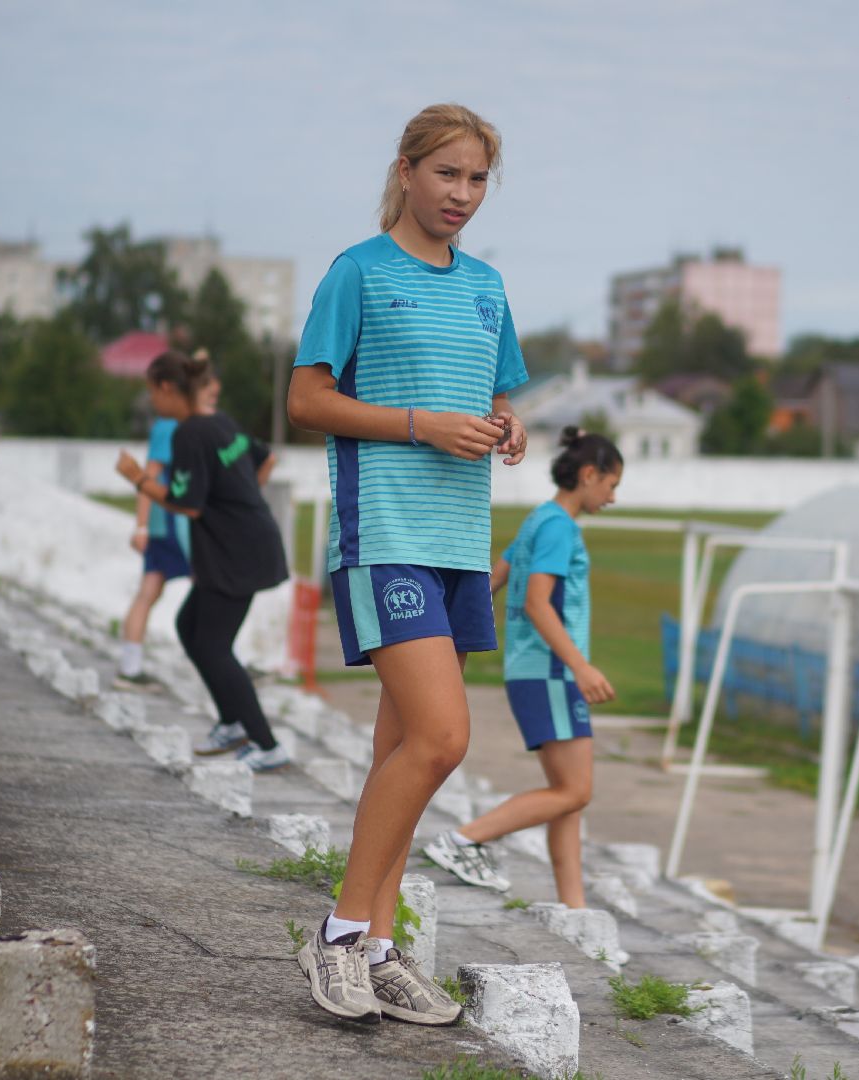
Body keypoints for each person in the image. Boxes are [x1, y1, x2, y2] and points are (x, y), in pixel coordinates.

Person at [285, 103, 529, 1027]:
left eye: (476, 180)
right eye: (446, 175)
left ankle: (381, 948)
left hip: (460, 541)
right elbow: (307, 400)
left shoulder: (489, 287)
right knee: (441, 738)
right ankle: (342, 934)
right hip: (381, 533)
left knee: (402, 750)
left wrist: (507, 428)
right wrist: (423, 425)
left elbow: (496, 387)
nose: (461, 195)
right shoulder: (357, 272)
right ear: (406, 171)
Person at [424, 428, 623, 906]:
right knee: (574, 792)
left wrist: (444, 627)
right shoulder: (559, 528)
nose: (613, 498)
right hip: (552, 672)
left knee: (567, 797)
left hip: (531, 671)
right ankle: (464, 839)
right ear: (589, 475)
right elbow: (537, 604)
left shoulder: (539, 520)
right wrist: (581, 667)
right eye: (612, 486)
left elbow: (495, 577)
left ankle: (575, 913)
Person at [115, 350, 290, 773]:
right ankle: (231, 723)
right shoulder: (221, 423)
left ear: (168, 388)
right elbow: (264, 458)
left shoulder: (190, 433)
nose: (153, 403)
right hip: (243, 545)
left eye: (152, 393)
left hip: (237, 552)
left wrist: (138, 478)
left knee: (213, 645)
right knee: (189, 627)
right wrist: (241, 499)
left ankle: (266, 744)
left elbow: (186, 504)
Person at [114, 354, 226, 691]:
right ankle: (223, 663)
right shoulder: (169, 426)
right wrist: (142, 527)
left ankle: (130, 668)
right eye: (209, 393)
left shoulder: (189, 423)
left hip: (176, 524)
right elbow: (149, 477)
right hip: (176, 527)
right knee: (211, 588)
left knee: (153, 592)